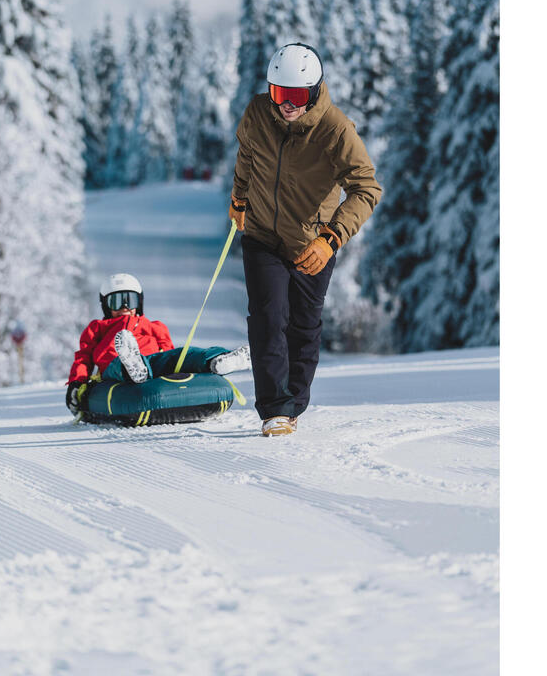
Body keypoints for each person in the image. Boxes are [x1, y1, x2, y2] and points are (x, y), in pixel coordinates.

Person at [229, 42, 382, 436]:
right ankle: (275, 409)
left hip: (311, 244)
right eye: (280, 94)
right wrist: (240, 196)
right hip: (262, 235)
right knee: (267, 317)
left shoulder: (335, 129)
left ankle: (294, 402)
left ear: (314, 91)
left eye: (297, 96)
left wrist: (330, 239)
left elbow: (366, 189)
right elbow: (247, 153)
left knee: (303, 326)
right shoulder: (258, 113)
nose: (287, 104)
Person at [66, 273, 250, 413]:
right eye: (116, 302)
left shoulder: (154, 326)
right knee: (118, 364)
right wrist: (77, 382)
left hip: (154, 361)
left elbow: (168, 352)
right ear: (106, 305)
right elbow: (83, 358)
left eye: (129, 300)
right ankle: (132, 367)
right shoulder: (98, 327)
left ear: (139, 302)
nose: (124, 307)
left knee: (183, 354)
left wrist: (175, 371)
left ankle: (218, 359)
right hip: (113, 368)